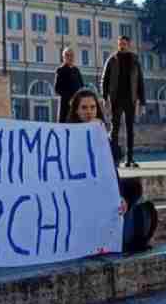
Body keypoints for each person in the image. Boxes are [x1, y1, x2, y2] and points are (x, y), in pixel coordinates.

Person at [66, 88, 157, 253]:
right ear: (76, 111)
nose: (89, 112)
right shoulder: (67, 136)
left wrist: (120, 197)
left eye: (93, 107)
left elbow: (114, 161)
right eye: (84, 108)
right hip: (84, 191)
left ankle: (126, 218)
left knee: (134, 186)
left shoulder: (100, 132)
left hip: (104, 187)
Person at [100, 35, 146, 168]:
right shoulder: (112, 59)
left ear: (128, 45)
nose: (121, 45)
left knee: (130, 129)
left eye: (124, 43)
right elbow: (104, 79)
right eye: (120, 43)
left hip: (130, 99)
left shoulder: (134, 60)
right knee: (115, 129)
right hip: (116, 99)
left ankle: (130, 158)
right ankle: (114, 158)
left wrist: (142, 102)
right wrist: (104, 97)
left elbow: (140, 81)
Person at [53, 47, 84, 122]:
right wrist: (69, 98)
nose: (70, 57)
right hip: (65, 105)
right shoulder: (60, 70)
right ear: (63, 57)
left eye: (71, 55)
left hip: (77, 104)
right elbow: (57, 89)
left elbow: (81, 86)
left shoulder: (76, 70)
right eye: (67, 55)